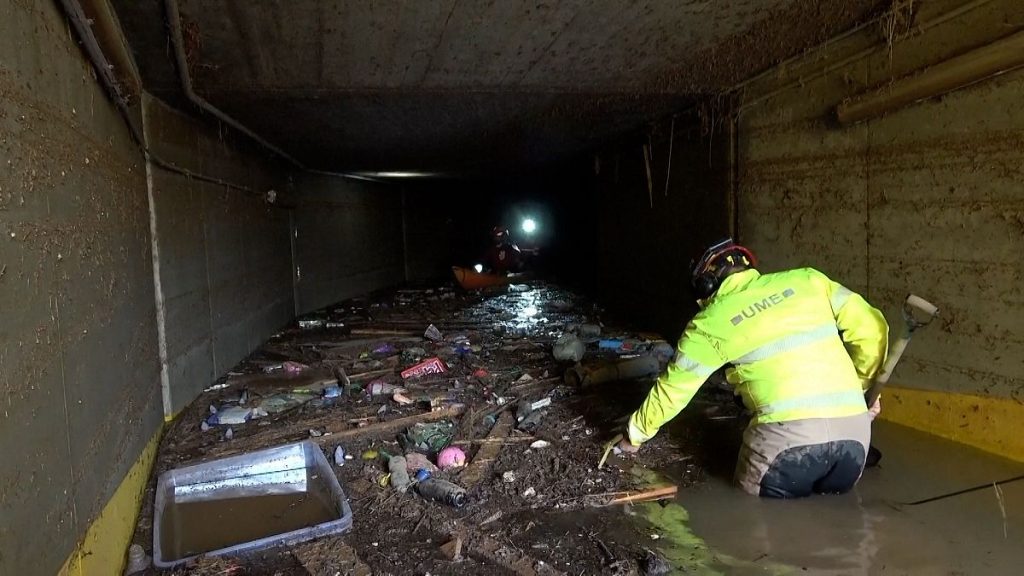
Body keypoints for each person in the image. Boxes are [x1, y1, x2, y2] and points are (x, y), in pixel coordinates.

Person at [617, 238, 889, 498]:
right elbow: (873, 329)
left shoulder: (709, 323)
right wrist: (861, 387)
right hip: (855, 438)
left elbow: (672, 391)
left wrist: (634, 436)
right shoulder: (809, 280)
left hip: (785, 446)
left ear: (705, 285)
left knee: (754, 523)